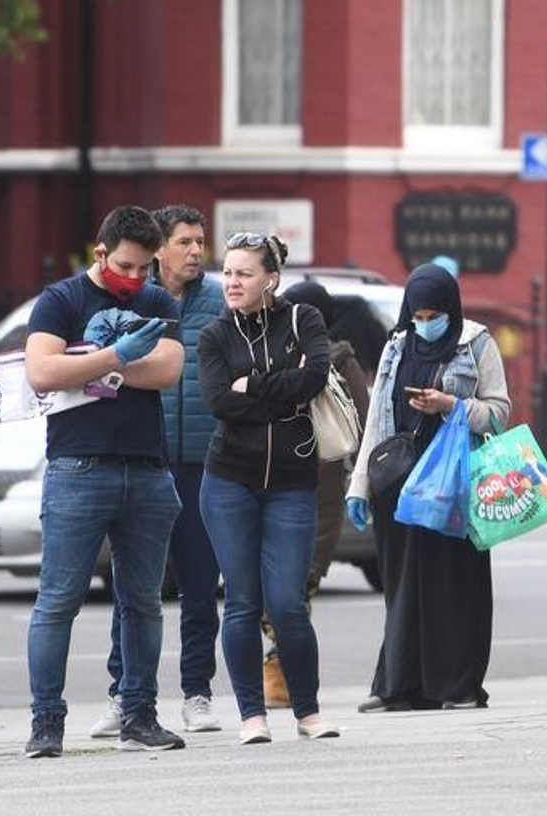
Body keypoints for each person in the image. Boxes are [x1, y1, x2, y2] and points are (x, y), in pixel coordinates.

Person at [22, 205, 186, 757]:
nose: (136, 280)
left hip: (146, 467)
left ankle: (139, 715)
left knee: (142, 602)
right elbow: (42, 371)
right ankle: (47, 723)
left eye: (145, 268)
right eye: (126, 267)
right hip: (77, 466)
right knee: (59, 600)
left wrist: (87, 361)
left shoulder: (157, 300)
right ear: (101, 253)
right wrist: (117, 357)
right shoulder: (62, 300)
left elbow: (167, 370)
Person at [345, 263, 511, 712]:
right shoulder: (396, 347)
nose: (425, 324)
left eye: (434, 314)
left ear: (451, 309)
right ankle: (398, 686)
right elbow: (377, 416)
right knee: (402, 587)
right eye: (417, 315)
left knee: (454, 586)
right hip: (398, 484)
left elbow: (499, 412)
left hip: (455, 483)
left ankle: (457, 687)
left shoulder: (476, 344)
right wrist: (360, 485)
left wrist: (451, 405)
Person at [90, 204, 226, 739]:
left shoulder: (219, 301)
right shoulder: (131, 301)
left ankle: (197, 692)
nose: (196, 251)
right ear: (158, 250)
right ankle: (123, 696)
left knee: (199, 583)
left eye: (200, 241)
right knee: (133, 588)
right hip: (142, 457)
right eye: (185, 242)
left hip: (202, 463)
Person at [197, 233, 338, 744]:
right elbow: (218, 402)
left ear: (271, 279)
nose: (232, 282)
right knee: (240, 599)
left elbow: (316, 379)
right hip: (229, 478)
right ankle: (251, 716)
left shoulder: (304, 320)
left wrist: (251, 386)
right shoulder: (215, 335)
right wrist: (282, 387)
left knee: (287, 603)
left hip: (292, 482)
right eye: (228, 273)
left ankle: (308, 712)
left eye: (244, 274)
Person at [246, 280, 375, 708]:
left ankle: (283, 672)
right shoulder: (266, 350)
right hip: (285, 480)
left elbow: (361, 422)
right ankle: (282, 670)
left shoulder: (338, 359)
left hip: (314, 486)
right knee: (283, 581)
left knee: (297, 582)